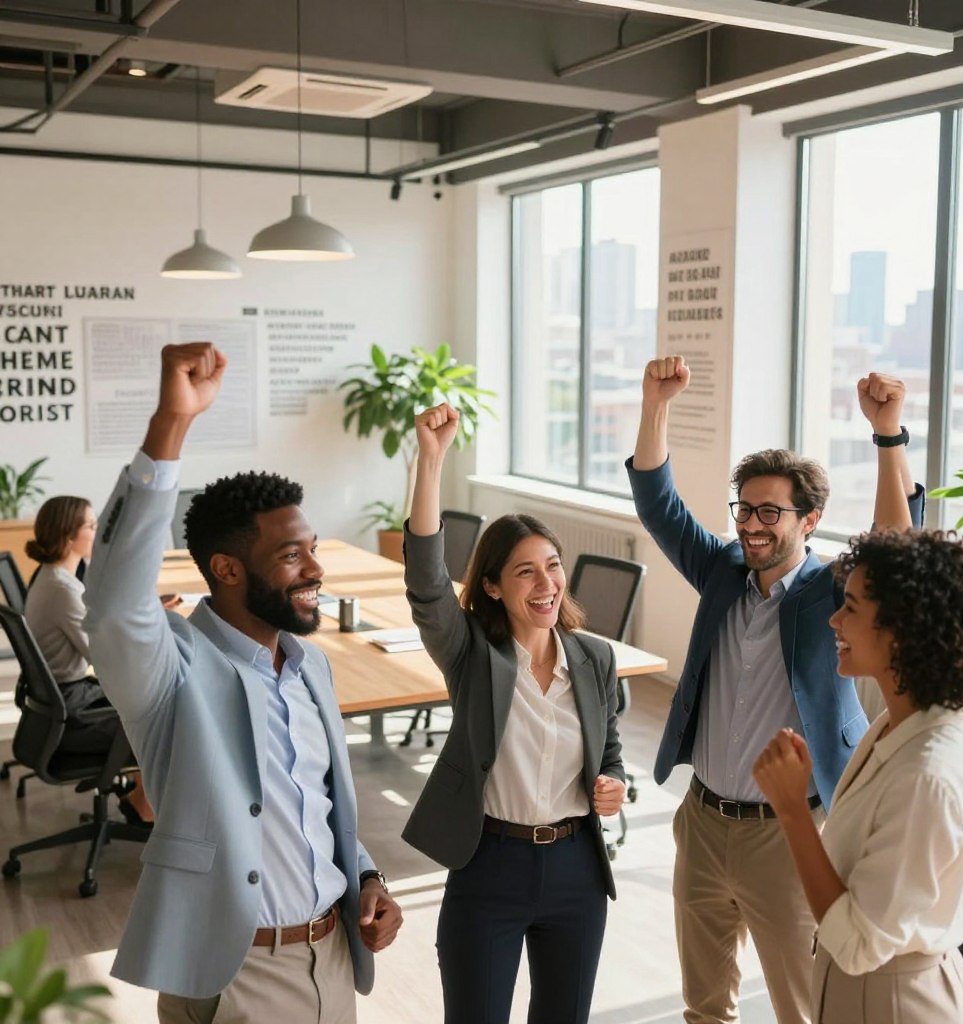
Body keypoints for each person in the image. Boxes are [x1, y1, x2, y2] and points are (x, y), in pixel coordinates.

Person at [83, 343, 403, 1024]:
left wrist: (369, 876)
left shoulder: (309, 665)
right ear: (227, 570)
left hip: (335, 954)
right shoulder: (173, 673)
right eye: (292, 555)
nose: (315, 568)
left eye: (312, 546)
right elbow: (112, 606)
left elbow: (314, 803)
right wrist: (169, 426)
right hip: (240, 975)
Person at [627, 357, 924, 1024]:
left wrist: (887, 436)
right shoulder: (724, 571)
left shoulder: (835, 591)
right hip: (702, 822)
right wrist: (656, 405)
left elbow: (895, 551)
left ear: (811, 520)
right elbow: (656, 503)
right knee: (704, 1006)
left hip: (790, 836)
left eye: (770, 512)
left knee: (802, 1005)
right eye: (744, 509)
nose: (751, 525)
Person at [401, 402, 627, 1024]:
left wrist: (613, 785)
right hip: (489, 865)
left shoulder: (594, 658)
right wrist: (431, 461)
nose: (546, 583)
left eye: (553, 566)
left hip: (577, 868)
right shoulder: (472, 651)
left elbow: (608, 752)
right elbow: (425, 583)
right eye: (525, 572)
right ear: (494, 586)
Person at [754, 528, 963, 1023]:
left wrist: (792, 810)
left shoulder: (930, 771)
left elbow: (858, 944)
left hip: (893, 1002)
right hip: (871, 989)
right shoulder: (910, 718)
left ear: (906, 630)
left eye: (852, 607)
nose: (834, 619)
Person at [24, 495, 153, 825]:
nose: (98, 533)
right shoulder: (61, 590)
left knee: (148, 700)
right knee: (160, 716)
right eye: (92, 526)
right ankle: (142, 804)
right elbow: (103, 657)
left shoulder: (53, 577)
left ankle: (140, 794)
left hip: (61, 703)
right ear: (70, 535)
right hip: (71, 712)